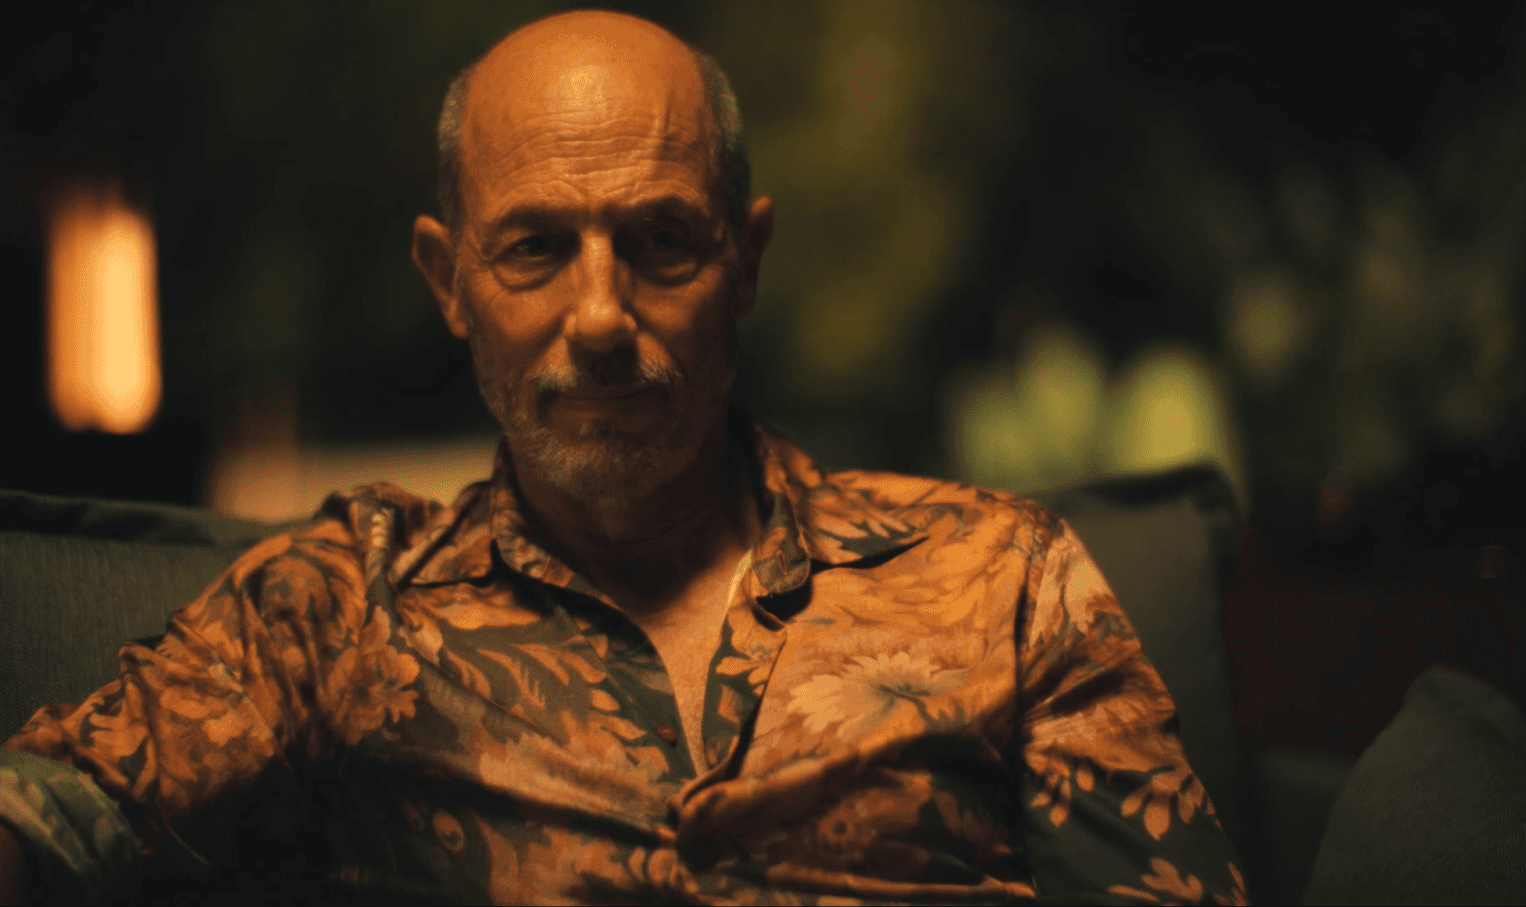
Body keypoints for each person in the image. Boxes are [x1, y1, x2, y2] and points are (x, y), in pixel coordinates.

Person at [0, 10, 1246, 904]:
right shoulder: (337, 609)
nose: (599, 316)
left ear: (745, 262)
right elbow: (50, 817)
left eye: (661, 242)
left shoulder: (1003, 574)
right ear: (449, 280)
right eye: (534, 249)